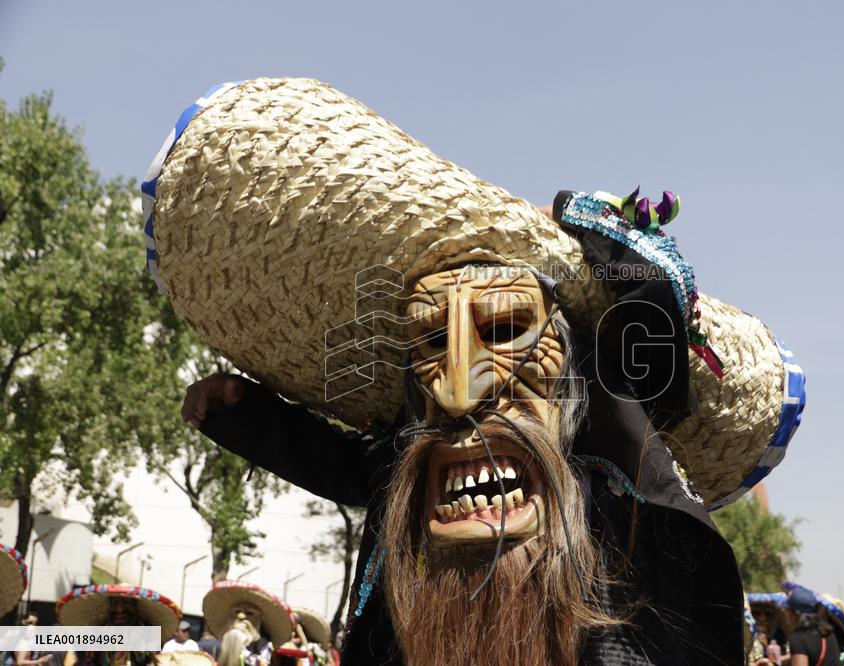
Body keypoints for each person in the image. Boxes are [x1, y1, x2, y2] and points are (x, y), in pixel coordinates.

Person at [149, 77, 807, 665]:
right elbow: (352, 468)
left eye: (502, 331)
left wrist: (577, 218)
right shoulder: (415, 462)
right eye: (433, 341)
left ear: (574, 375)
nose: (459, 388)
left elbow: (653, 319)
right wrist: (244, 415)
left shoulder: (619, 490)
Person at [56, 584, 182, 666]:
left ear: (135, 608)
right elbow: (86, 660)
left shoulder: (148, 632)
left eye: (126, 603)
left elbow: (149, 660)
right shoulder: (97, 632)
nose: (119, 609)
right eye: (115, 603)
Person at [202, 581, 293, 666]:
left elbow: (262, 662)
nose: (241, 616)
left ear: (259, 619)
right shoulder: (214, 645)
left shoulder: (262, 645)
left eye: (249, 613)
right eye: (237, 611)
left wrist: (242, 653)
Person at [785, 587, 841, 666]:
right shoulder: (828, 634)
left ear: (795, 614)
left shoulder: (798, 639)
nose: (785, 614)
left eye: (787, 610)